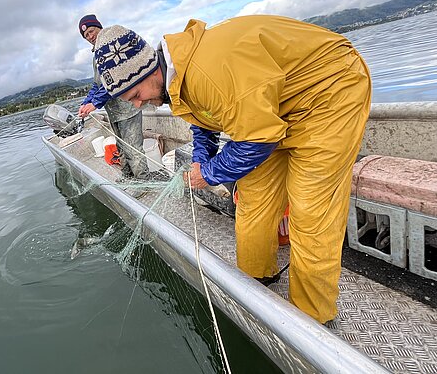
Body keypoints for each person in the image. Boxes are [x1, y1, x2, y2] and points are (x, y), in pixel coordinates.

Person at [92, 16, 371, 324]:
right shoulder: (173, 80)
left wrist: (208, 174)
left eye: (135, 96)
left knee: (310, 212)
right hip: (273, 111)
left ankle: (313, 319)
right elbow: (203, 123)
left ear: (147, 70)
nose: (137, 105)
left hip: (329, 92)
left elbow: (256, 140)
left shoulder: (208, 72)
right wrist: (201, 159)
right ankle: (255, 282)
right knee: (253, 199)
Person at [77, 14, 149, 181]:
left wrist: (95, 104)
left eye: (92, 31)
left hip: (127, 109)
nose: (90, 37)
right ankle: (128, 177)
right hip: (115, 112)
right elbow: (98, 84)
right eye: (86, 35)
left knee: (133, 149)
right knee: (122, 148)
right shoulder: (96, 55)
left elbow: (114, 80)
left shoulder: (110, 46)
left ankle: (144, 182)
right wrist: (86, 102)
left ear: (100, 28)